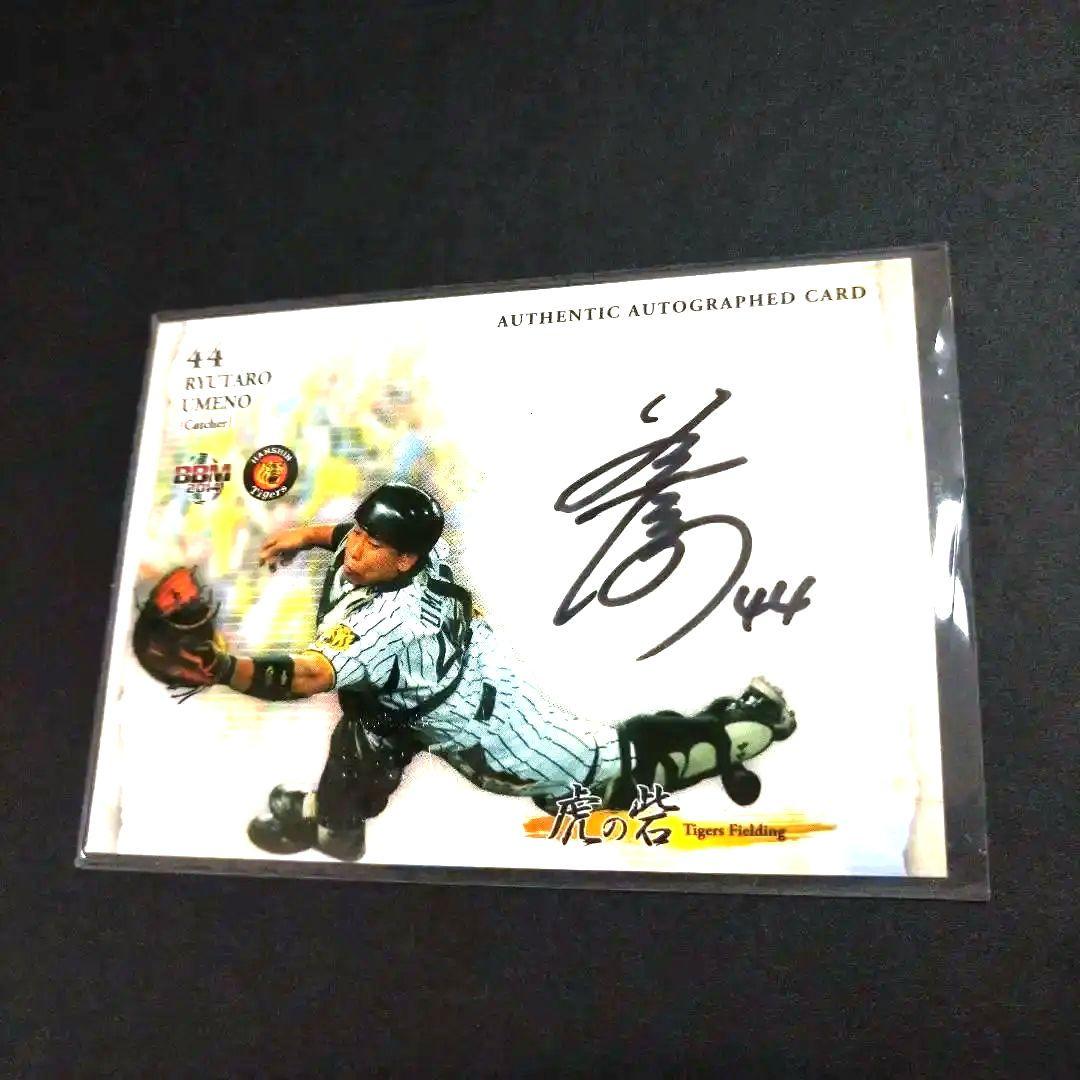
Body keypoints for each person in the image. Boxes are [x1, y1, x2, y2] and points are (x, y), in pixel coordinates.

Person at [195, 483, 797, 860]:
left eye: (373, 542)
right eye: (360, 530)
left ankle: (747, 730)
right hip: (432, 687)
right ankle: (335, 822)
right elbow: (354, 537)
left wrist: (222, 667)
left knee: (609, 767)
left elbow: (308, 676)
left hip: (495, 729)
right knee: (365, 735)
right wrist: (305, 535)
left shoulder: (392, 621)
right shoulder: (415, 552)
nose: (355, 546)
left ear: (404, 560)